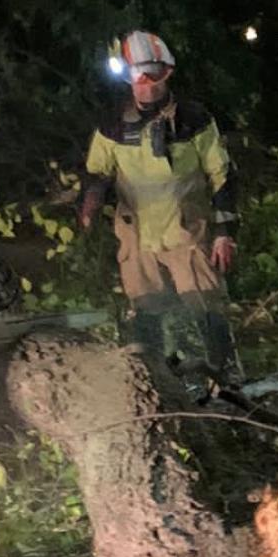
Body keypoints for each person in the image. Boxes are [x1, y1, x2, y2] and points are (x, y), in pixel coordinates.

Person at [79, 30, 239, 379]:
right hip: (137, 238)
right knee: (146, 313)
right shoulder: (112, 126)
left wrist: (225, 232)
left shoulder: (194, 121)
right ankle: (152, 384)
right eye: (138, 77)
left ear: (167, 74)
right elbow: (96, 172)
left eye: (152, 77)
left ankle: (226, 380)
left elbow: (222, 174)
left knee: (206, 308)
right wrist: (90, 208)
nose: (145, 85)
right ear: (128, 79)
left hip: (187, 231)